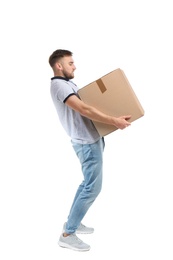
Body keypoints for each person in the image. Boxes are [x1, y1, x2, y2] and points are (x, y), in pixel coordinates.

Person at [49, 49, 131, 252]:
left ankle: (73, 221)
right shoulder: (59, 85)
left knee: (86, 184)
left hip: (92, 139)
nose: (74, 66)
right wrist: (114, 121)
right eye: (70, 63)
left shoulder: (67, 84)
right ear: (59, 66)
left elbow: (89, 105)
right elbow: (84, 109)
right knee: (92, 188)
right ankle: (68, 234)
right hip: (86, 143)